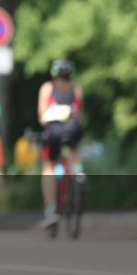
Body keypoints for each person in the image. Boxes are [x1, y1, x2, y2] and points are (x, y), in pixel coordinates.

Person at [38, 59, 85, 227]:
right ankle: (78, 171)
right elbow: (79, 114)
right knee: (73, 149)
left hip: (54, 131)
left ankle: (50, 209)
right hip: (72, 129)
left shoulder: (47, 89)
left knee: (49, 167)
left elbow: (42, 117)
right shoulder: (76, 89)